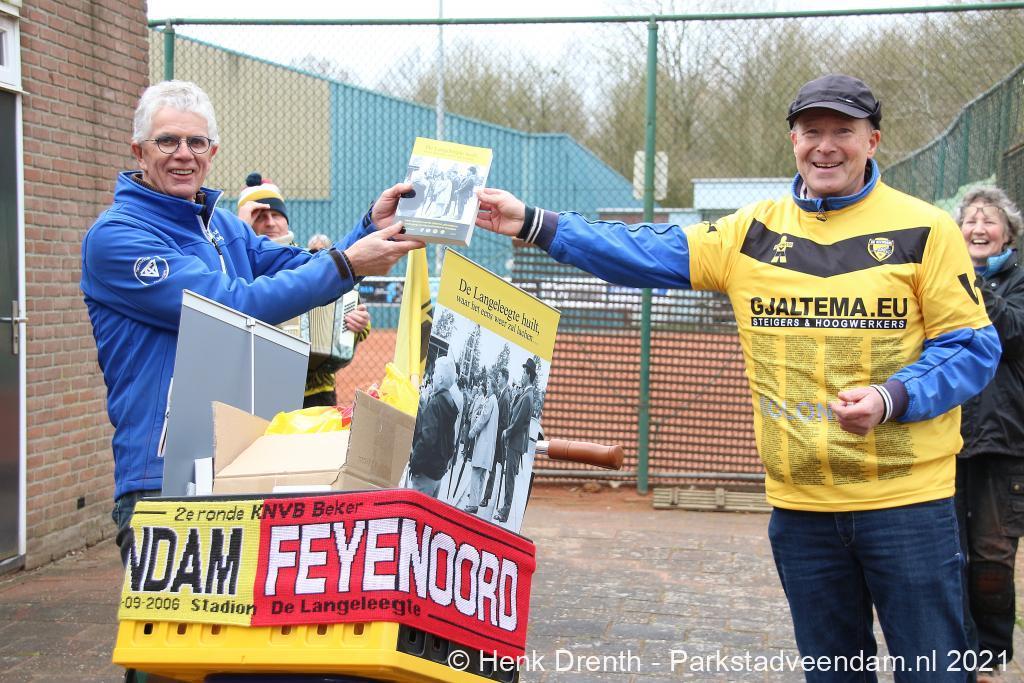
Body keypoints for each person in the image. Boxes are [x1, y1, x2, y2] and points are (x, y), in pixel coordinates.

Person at [475, 74, 1001, 679]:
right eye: (811, 131)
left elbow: (971, 347)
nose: (826, 146)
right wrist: (534, 222)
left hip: (908, 504)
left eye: (843, 131)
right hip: (801, 510)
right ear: (794, 141)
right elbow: (645, 250)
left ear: (872, 141)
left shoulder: (925, 229)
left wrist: (892, 397)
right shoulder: (751, 232)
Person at [80, 80, 422, 566]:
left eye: (197, 142)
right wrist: (347, 263)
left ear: (212, 152)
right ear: (139, 151)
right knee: (178, 619)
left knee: (246, 613)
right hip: (163, 478)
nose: (184, 154)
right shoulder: (117, 237)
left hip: (244, 461)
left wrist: (370, 227)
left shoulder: (224, 227)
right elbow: (228, 305)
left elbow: (301, 266)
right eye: (167, 141)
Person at [953, 186, 1024, 681]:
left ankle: (989, 655)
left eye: (989, 220)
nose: (979, 228)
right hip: (948, 437)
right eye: (970, 220)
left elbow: (1012, 332)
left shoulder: (1018, 282)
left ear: (1007, 233)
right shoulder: (941, 278)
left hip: (1005, 439)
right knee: (948, 552)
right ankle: (952, 647)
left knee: (993, 555)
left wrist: (970, 284)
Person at [237, 175, 372, 407]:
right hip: (261, 389)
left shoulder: (310, 261)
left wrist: (358, 323)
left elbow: (352, 308)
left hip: (317, 390)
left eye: (276, 215)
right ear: (247, 223)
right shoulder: (238, 266)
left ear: (286, 220)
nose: (270, 223)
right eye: (260, 217)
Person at [408, 355, 459, 497]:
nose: (433, 375)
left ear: (441, 379)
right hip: (437, 476)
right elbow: (450, 443)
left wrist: (414, 465)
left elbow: (426, 440)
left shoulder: (435, 403)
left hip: (425, 474)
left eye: (435, 372)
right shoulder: (450, 403)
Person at [495, 359, 536, 524]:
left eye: (524, 373)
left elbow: (518, 422)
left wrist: (507, 432)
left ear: (528, 375)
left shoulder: (528, 397)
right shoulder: (525, 394)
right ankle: (504, 508)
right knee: (508, 477)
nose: (522, 375)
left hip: (515, 443)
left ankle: (505, 512)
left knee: (510, 478)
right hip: (515, 443)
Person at [461, 374, 499, 514]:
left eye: (488, 385)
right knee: (482, 476)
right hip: (488, 447)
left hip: (483, 444)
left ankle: (472, 504)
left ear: (493, 388)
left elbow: (483, 419)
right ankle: (475, 503)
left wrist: (472, 432)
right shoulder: (494, 402)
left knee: (476, 474)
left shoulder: (490, 401)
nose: (486, 388)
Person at [480, 367, 511, 508]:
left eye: (499, 376)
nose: (497, 378)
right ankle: (481, 493)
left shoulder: (506, 397)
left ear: (504, 377)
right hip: (496, 437)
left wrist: (494, 432)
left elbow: (504, 422)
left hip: (497, 440)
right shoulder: (502, 394)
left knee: (491, 468)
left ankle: (486, 497)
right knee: (489, 466)